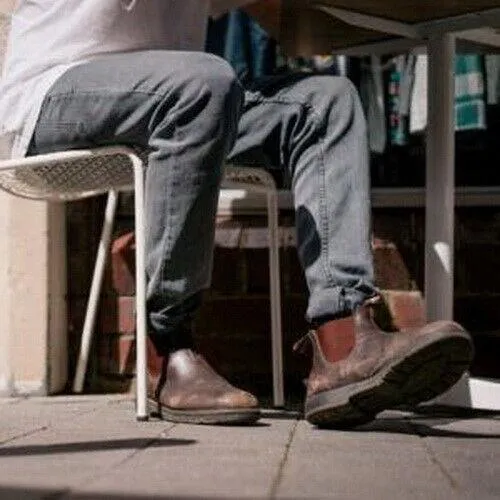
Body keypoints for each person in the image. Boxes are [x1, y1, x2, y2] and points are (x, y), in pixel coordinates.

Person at [0, 0, 473, 428]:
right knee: (204, 82)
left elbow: (276, 18)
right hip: (54, 93)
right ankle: (164, 346)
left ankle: (344, 341)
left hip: (173, 101)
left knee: (325, 104)